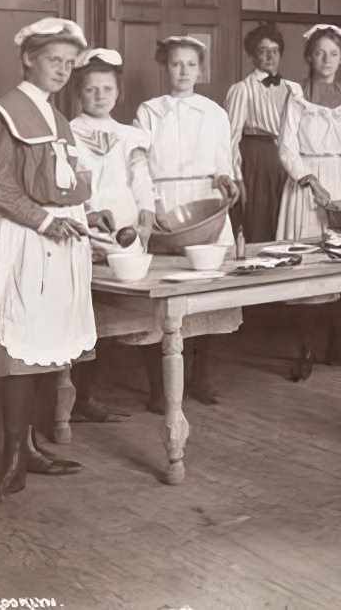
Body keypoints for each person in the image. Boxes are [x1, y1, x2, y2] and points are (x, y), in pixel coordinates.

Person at [0, 18, 98, 511]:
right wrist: (44, 221)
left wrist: (85, 212)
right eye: (53, 60)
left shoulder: (57, 118)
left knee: (48, 346)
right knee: (20, 353)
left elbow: (67, 181)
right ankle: (13, 459)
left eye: (69, 62)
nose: (63, 70)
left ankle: (34, 450)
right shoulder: (3, 113)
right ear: (28, 58)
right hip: (25, 240)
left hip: (59, 242)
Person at [135, 36, 239, 409]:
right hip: (164, 206)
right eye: (176, 64)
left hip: (204, 207)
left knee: (204, 294)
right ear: (165, 67)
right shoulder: (149, 111)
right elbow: (139, 165)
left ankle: (200, 377)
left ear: (201, 69)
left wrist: (226, 182)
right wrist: (153, 206)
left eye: (190, 64)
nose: (183, 71)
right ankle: (157, 389)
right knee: (162, 297)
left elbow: (223, 162)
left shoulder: (214, 112)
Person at [277, 25, 341, 376]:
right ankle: (305, 347)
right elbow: (286, 147)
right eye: (319, 53)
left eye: (333, 53)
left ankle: (339, 345)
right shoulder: (297, 94)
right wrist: (308, 178)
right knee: (307, 267)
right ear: (309, 57)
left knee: (340, 265)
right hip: (307, 184)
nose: (326, 59)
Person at [68, 47, 155, 424]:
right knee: (88, 313)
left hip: (126, 229)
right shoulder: (67, 133)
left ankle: (158, 390)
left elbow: (141, 181)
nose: (100, 95)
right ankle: (83, 395)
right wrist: (86, 214)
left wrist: (147, 217)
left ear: (118, 93)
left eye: (107, 89)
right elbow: (68, 184)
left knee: (142, 307)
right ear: (78, 93)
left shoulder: (129, 135)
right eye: (91, 89)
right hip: (87, 230)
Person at [225, 23, 302, 243]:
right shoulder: (242, 89)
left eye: (274, 51)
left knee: (283, 220)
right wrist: (236, 177)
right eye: (263, 51)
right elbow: (230, 138)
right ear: (252, 55)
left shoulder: (291, 89)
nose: (269, 56)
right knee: (257, 223)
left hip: (285, 159)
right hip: (256, 160)